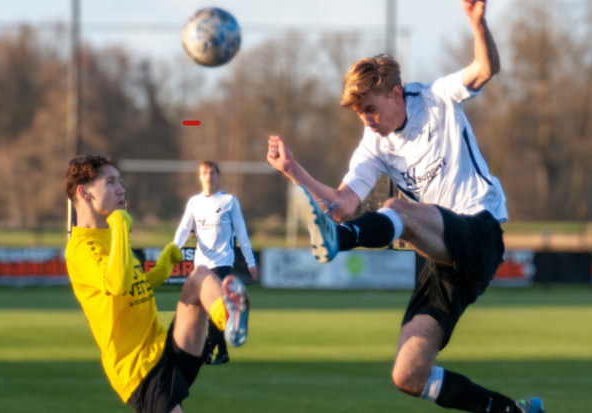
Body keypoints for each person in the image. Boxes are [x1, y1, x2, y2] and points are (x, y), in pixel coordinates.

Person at [264, 1, 543, 412]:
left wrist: (478, 24)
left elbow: (486, 69)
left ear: (396, 93)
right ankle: (512, 411)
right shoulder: (373, 144)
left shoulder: (438, 97)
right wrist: (294, 172)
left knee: (398, 207)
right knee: (408, 375)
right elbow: (343, 203)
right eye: (360, 114)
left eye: (371, 109)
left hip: (479, 232)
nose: (367, 121)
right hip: (442, 259)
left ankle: (338, 243)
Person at [64, 154, 249, 413]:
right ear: (84, 192)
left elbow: (131, 288)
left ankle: (227, 317)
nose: (121, 189)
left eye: (119, 181)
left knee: (200, 276)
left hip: (164, 344)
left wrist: (162, 269)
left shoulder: (112, 234)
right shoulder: (82, 249)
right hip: (139, 370)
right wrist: (119, 225)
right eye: (110, 182)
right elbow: (116, 285)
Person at [173, 161, 258, 364]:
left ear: (217, 176)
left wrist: (250, 260)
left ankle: (216, 350)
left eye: (212, 173)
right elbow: (184, 229)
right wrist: (172, 252)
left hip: (222, 262)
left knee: (216, 306)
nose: (208, 176)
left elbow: (241, 232)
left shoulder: (229, 201)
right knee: (203, 309)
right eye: (204, 173)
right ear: (200, 177)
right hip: (200, 265)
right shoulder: (194, 202)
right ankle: (215, 349)